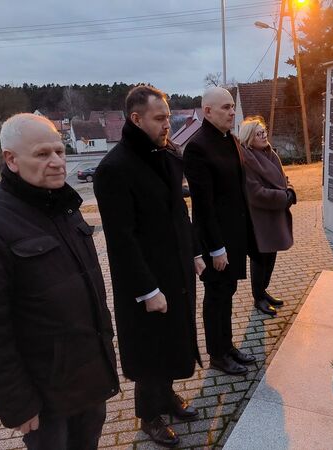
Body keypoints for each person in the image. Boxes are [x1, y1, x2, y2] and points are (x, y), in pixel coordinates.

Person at [0, 113, 119, 450]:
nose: (57, 162)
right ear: (11, 159)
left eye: (59, 151)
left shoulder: (65, 208)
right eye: (42, 154)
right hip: (43, 396)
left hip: (88, 378)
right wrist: (16, 403)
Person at [93, 85, 204, 448]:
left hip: (176, 269)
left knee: (173, 340)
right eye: (159, 118)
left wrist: (194, 252)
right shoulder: (115, 168)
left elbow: (179, 211)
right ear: (136, 118)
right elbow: (121, 240)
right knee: (150, 349)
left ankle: (167, 397)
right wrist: (147, 290)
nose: (167, 124)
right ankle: (149, 416)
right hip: (145, 279)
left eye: (168, 117)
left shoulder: (166, 154)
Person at [183, 87, 259, 377]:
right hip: (216, 241)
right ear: (207, 111)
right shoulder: (198, 147)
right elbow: (204, 205)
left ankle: (227, 346)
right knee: (216, 297)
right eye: (225, 107)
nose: (232, 112)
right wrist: (216, 248)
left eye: (232, 106)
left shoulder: (230, 139)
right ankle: (217, 354)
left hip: (234, 236)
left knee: (228, 293)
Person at [238, 116, 295, 316]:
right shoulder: (246, 159)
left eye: (264, 132)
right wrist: (283, 197)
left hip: (275, 215)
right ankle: (258, 298)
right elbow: (255, 193)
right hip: (259, 219)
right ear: (249, 138)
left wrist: (290, 190)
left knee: (271, 257)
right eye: (258, 134)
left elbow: (283, 178)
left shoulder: (271, 154)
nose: (264, 136)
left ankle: (263, 291)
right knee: (260, 259)